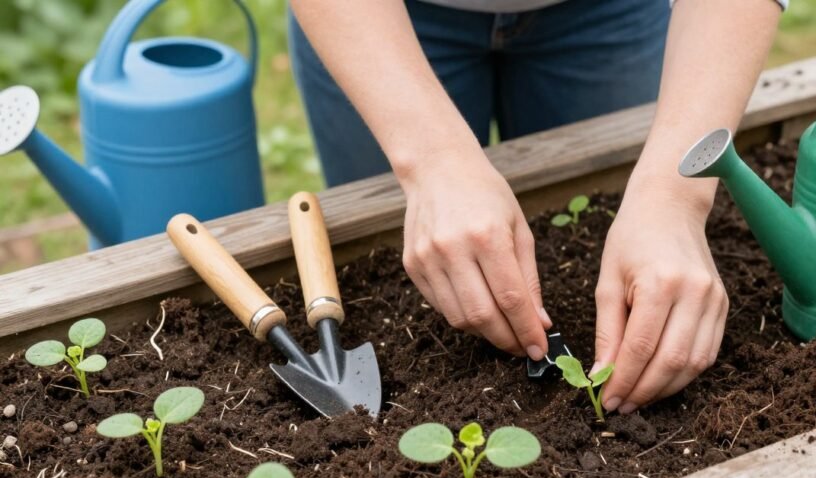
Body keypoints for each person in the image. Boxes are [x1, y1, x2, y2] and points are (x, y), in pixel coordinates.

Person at [288, 0, 785, 415]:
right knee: (399, 241)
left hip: (613, 15)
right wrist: (431, 159)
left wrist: (675, 194)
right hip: (374, 21)